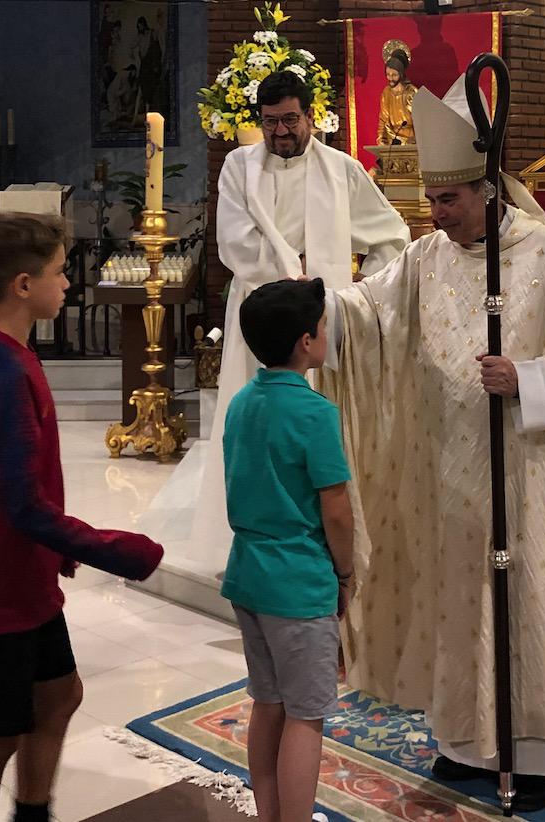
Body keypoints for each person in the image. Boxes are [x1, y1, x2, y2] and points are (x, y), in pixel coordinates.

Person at [322, 76, 545, 812]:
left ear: (484, 189)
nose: (433, 213)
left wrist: (531, 377)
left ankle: (539, 748)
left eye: (446, 200)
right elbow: (369, 311)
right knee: (461, 601)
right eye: (431, 200)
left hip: (531, 466)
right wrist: (312, 306)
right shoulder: (426, 258)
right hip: (450, 469)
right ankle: (465, 741)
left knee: (530, 600)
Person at [0, 213, 164, 822]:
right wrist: (115, 549)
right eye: (59, 272)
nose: (67, 284)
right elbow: (16, 502)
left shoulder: (4, 354)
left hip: (21, 576)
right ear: (21, 285)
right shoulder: (0, 370)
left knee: (61, 695)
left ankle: (34, 813)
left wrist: (55, 551)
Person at [173, 70, 409, 579]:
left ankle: (329, 539)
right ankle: (247, 537)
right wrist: (291, 264)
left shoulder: (340, 170)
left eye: (290, 120)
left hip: (322, 321)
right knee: (255, 426)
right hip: (259, 319)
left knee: (320, 431)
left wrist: (361, 289)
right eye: (270, 122)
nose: (280, 132)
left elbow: (393, 235)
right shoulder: (240, 167)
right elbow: (234, 245)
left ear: (310, 117)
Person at [221, 279, 354, 822]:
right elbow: (337, 508)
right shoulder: (314, 412)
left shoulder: (242, 402)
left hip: (248, 572)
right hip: (298, 580)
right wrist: (344, 573)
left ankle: (271, 813)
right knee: (306, 716)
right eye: (322, 326)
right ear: (306, 341)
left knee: (268, 703)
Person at [377, 48, 416, 146]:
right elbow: (383, 118)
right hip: (393, 139)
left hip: (411, 140)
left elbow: (420, 120)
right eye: (388, 74)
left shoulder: (411, 92)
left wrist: (416, 138)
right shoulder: (387, 92)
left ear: (401, 74)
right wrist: (381, 138)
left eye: (394, 75)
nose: (390, 78)